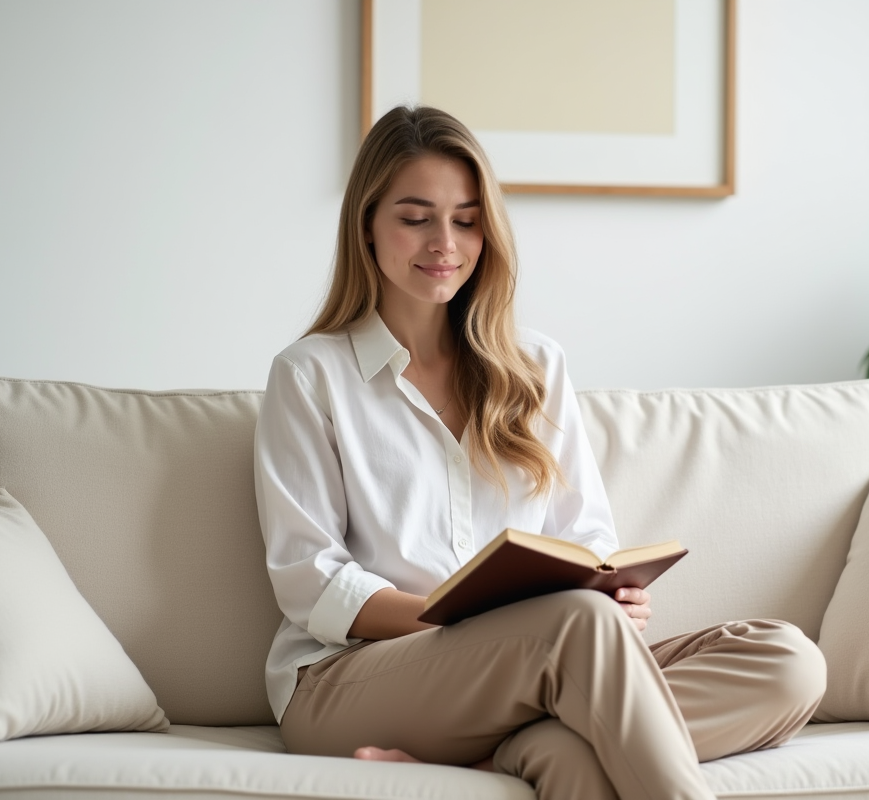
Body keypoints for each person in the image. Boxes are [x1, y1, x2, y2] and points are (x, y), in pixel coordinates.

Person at [253, 105, 826, 800]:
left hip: (539, 661)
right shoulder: (311, 374)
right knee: (572, 626)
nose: (445, 242)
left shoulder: (535, 366)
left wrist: (613, 593)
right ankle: (569, 705)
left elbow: (585, 537)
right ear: (367, 224)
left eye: (466, 219)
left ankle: (510, 755)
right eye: (415, 217)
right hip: (350, 682)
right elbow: (311, 581)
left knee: (788, 661)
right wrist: (481, 620)